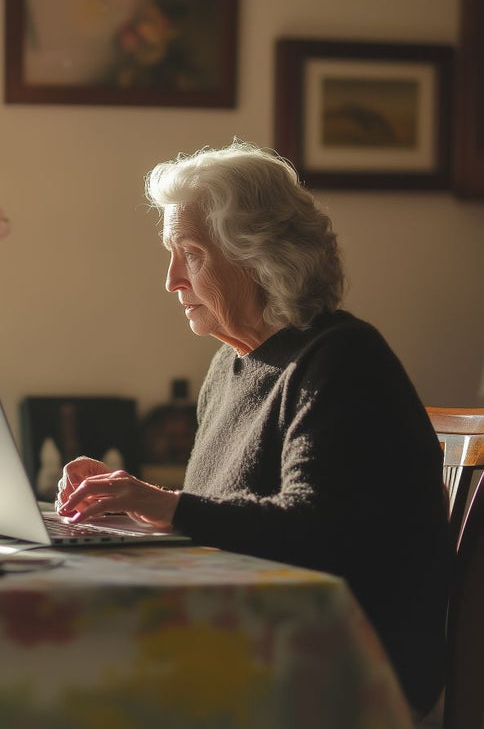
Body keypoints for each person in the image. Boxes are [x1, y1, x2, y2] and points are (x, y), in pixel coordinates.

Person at [55, 141, 450, 718]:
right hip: (249, 632)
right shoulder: (232, 365)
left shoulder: (341, 359)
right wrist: (134, 505)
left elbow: (319, 530)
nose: (171, 280)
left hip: (339, 665)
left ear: (261, 257)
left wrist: (168, 506)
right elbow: (228, 519)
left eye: (189, 253)